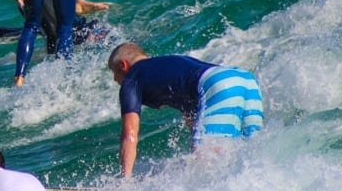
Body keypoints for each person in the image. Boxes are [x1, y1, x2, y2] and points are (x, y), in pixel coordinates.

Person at [107, 42, 265, 178]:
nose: (115, 80)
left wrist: (125, 182)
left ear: (123, 65)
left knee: (205, 166)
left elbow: (129, 135)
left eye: (114, 73)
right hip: (246, 80)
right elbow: (194, 115)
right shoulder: (167, 66)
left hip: (217, 84)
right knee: (254, 150)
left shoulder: (132, 79)